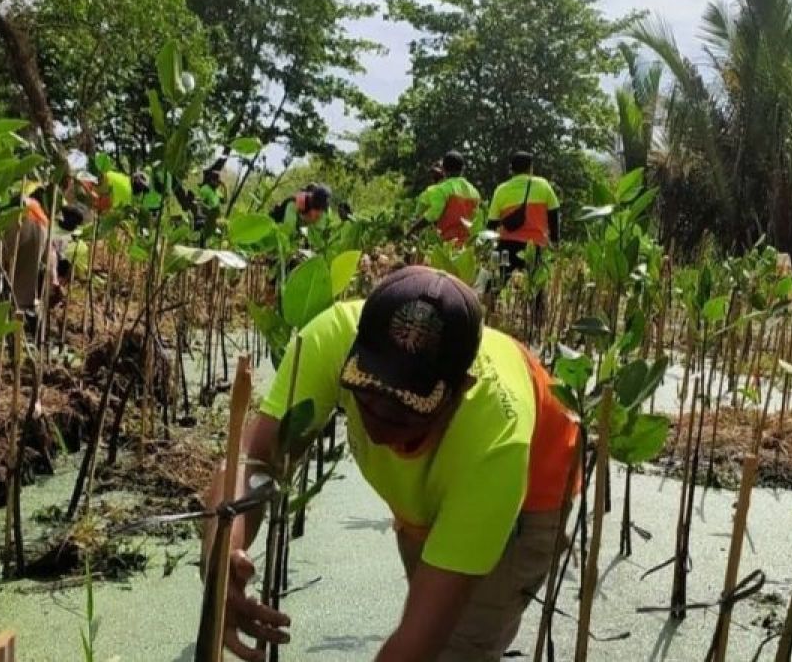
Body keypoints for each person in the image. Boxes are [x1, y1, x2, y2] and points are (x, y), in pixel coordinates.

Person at [208, 267, 580, 662]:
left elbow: (419, 645)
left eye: (408, 405)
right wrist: (220, 560)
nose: (381, 415)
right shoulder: (330, 339)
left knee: (456, 648)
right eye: (370, 389)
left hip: (531, 491)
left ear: (460, 392)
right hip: (431, 486)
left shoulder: (496, 446)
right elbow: (253, 457)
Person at [486, 151, 561, 271]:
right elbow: (554, 213)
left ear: (512, 169)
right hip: (534, 246)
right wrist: (555, 241)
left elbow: (492, 223)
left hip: (507, 247)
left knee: (504, 283)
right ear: (530, 168)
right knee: (533, 285)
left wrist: (488, 247)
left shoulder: (501, 190)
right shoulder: (543, 185)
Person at [410, 151, 481, 246]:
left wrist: (412, 229)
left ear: (443, 169)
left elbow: (433, 215)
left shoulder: (441, 189)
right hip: (468, 245)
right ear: (462, 169)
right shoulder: (475, 192)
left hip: (447, 245)